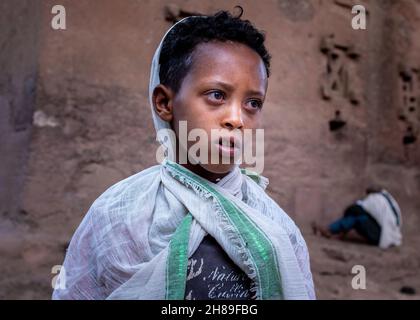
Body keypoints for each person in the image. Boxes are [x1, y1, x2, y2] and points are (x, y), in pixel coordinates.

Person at [52, 9, 315, 300]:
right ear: (165, 103)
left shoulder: (277, 228)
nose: (237, 119)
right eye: (217, 95)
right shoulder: (116, 216)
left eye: (253, 102)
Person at [312, 186, 402, 249]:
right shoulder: (388, 199)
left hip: (382, 238)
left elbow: (355, 208)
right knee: (359, 217)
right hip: (393, 237)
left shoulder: (375, 199)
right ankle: (333, 231)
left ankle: (330, 230)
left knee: (357, 218)